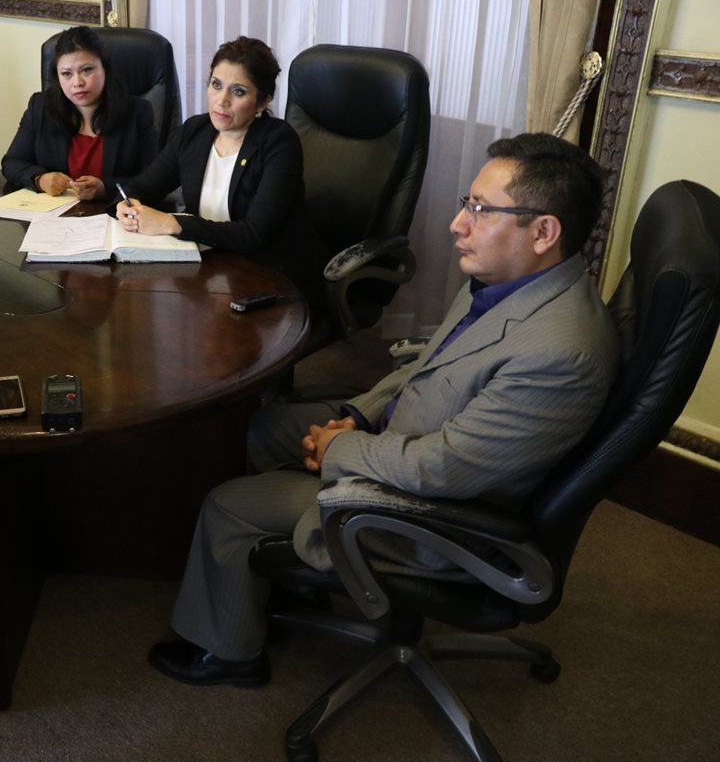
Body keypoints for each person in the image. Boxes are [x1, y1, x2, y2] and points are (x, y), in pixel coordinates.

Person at [147, 132, 620, 686]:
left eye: (480, 210)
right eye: (466, 203)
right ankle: (280, 578)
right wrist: (358, 414)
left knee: (227, 505)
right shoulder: (507, 279)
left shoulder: (559, 351)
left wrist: (340, 447)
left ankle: (227, 653)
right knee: (261, 429)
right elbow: (427, 367)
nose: (457, 224)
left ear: (544, 232)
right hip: (408, 434)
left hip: (431, 513)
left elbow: (441, 469)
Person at [117, 36, 323, 308]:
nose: (221, 101)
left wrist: (173, 223)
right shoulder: (194, 132)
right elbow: (141, 188)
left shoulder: (279, 142)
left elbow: (254, 234)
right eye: (216, 85)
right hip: (210, 272)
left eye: (238, 91)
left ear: (263, 101)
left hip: (271, 278)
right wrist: (125, 205)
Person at [2, 25, 157, 202]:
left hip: (115, 220)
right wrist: (40, 179)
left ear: (104, 68)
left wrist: (104, 188)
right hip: (53, 221)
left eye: (86, 70)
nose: (77, 82)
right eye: (66, 74)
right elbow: (12, 163)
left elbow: (152, 181)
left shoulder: (137, 113)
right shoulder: (40, 107)